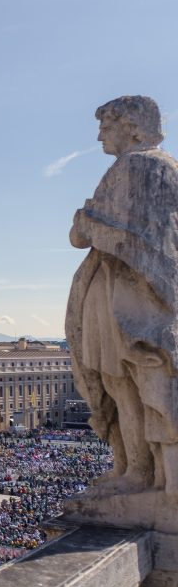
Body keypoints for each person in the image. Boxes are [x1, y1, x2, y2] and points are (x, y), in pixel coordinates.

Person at [66, 95, 178, 496]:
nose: (99, 134)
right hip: (119, 293)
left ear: (130, 126)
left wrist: (89, 224)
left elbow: (91, 233)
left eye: (106, 125)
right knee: (122, 385)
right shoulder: (142, 169)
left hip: (127, 298)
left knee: (129, 384)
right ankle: (135, 469)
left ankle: (139, 472)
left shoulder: (139, 167)